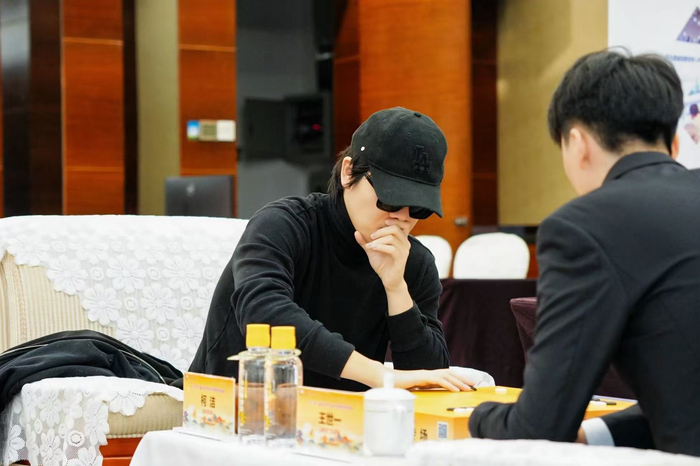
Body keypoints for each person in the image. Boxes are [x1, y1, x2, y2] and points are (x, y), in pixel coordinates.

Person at [468, 50, 700, 456]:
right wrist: (595, 433)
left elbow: (538, 427)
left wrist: (476, 416)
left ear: (577, 144)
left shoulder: (583, 227)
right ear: (674, 144)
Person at [190, 107, 477, 392]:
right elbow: (263, 312)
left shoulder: (412, 261)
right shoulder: (283, 224)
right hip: (234, 403)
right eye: (390, 199)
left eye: (418, 208)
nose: (401, 218)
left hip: (344, 414)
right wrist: (377, 375)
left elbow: (428, 376)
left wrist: (396, 288)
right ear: (348, 172)